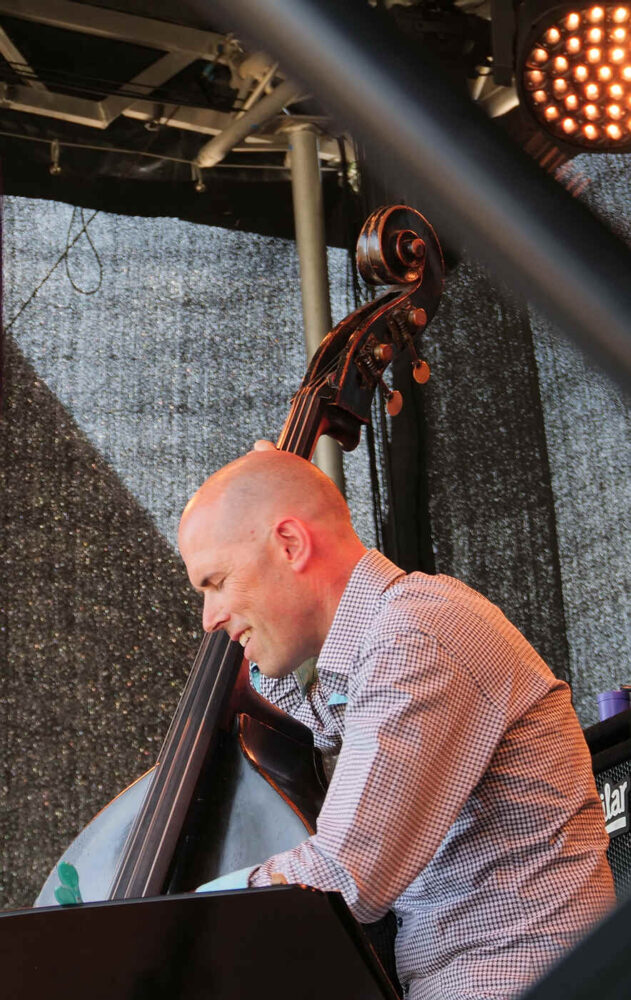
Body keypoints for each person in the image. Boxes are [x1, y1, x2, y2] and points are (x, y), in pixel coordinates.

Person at [178, 448, 615, 1000]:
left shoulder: (417, 635)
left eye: (217, 582)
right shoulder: (382, 644)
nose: (209, 619)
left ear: (289, 544)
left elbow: (343, 876)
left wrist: (172, 925)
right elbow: (317, 724)